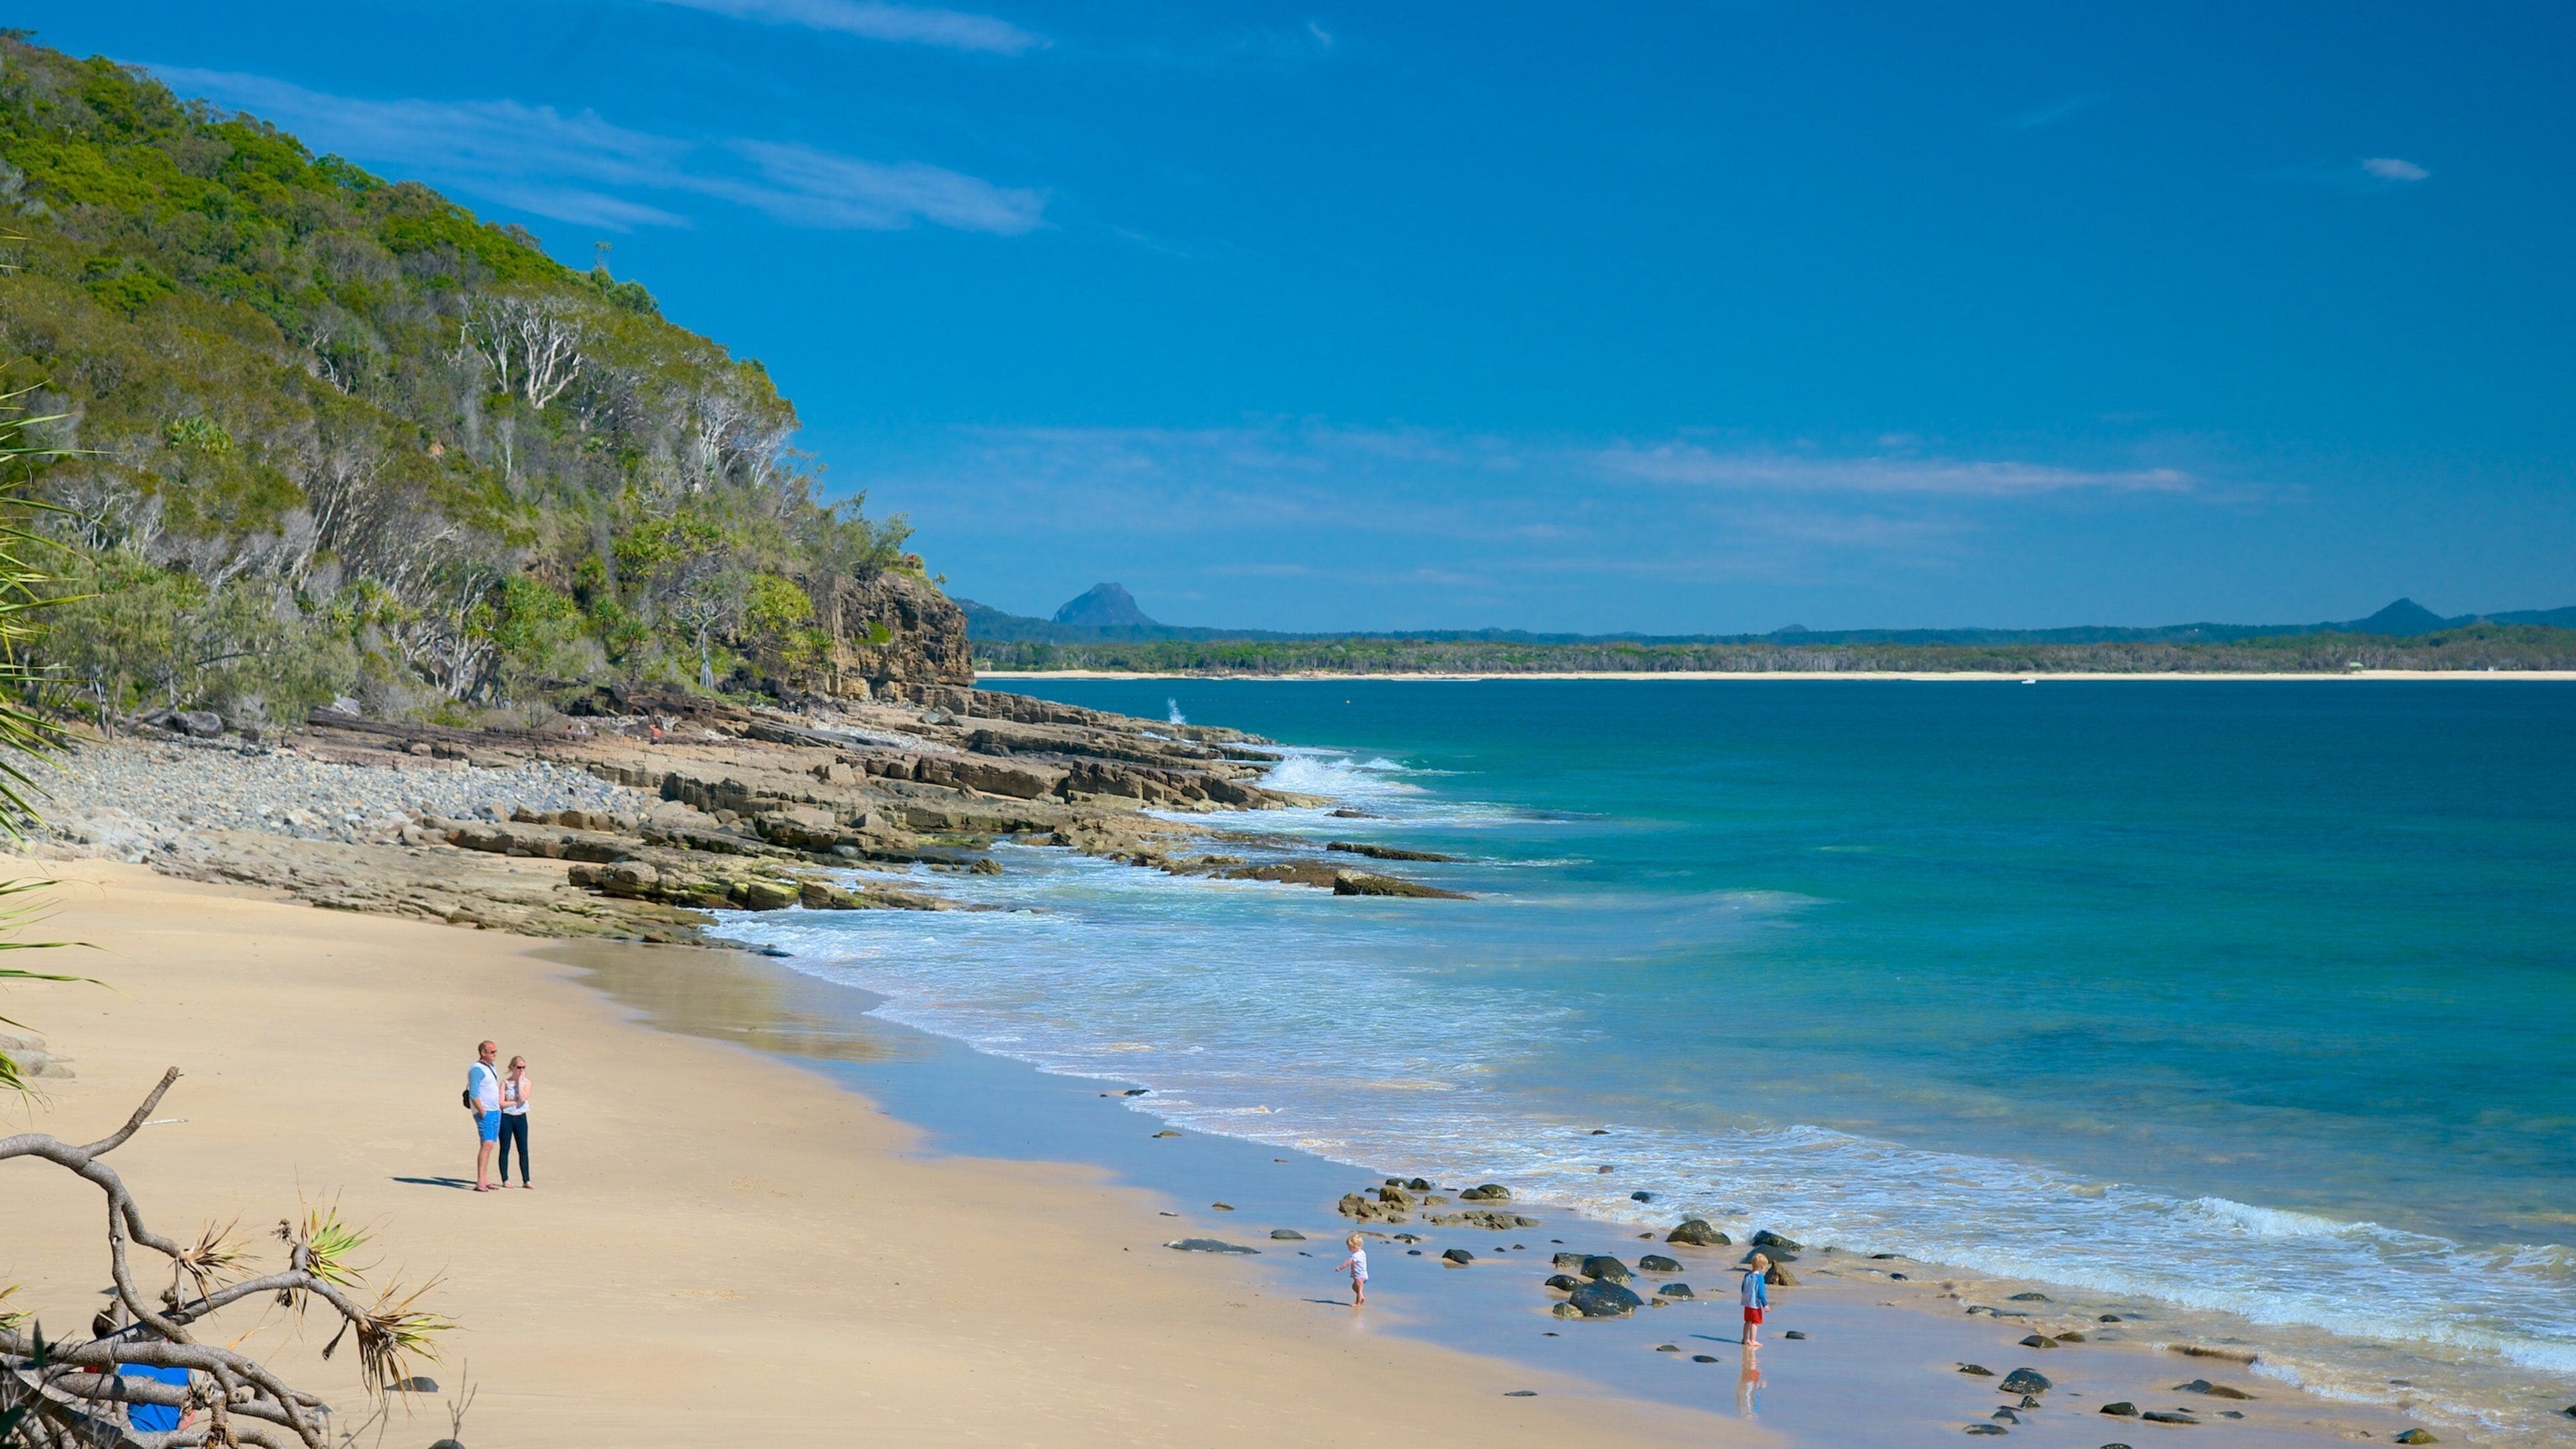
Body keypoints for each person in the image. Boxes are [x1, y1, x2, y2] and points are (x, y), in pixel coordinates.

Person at [466, 1040, 502, 1191]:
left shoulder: (491, 1067)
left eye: (495, 1051)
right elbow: (474, 1093)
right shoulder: (476, 1069)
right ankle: (480, 1181)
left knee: (490, 1144)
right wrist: (483, 1112)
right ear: (483, 1052)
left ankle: (485, 1178)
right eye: (492, 1052)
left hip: (495, 1110)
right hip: (485, 1111)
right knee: (487, 1144)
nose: (495, 1054)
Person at [497, 1054, 533, 1188]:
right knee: (505, 1148)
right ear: (512, 1067)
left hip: (521, 1117)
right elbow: (501, 1103)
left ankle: (527, 1180)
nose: (521, 1070)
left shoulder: (527, 1082)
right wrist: (514, 1102)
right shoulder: (505, 1084)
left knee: (523, 1149)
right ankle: (505, 1179)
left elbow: (524, 1098)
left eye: (523, 1068)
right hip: (507, 1118)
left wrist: (519, 1082)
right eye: (518, 1067)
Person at [1740, 1252, 1770, 1345]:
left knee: (1747, 1321)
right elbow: (1761, 1293)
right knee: (1755, 1322)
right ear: (1762, 1267)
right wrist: (1765, 1305)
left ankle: (1745, 1339)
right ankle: (1752, 1340)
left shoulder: (1747, 1276)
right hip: (1755, 1304)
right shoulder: (1760, 1278)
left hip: (1747, 1302)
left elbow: (1743, 1288)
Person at [1335, 1233, 1368, 1306]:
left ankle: (1358, 1303)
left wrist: (1340, 1268)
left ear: (1354, 1247)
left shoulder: (1355, 1256)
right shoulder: (1362, 1252)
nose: (1349, 1249)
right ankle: (1361, 1297)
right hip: (1363, 1275)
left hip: (1360, 1276)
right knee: (1354, 1287)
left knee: (1359, 1290)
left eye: (1349, 1248)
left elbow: (1348, 1263)